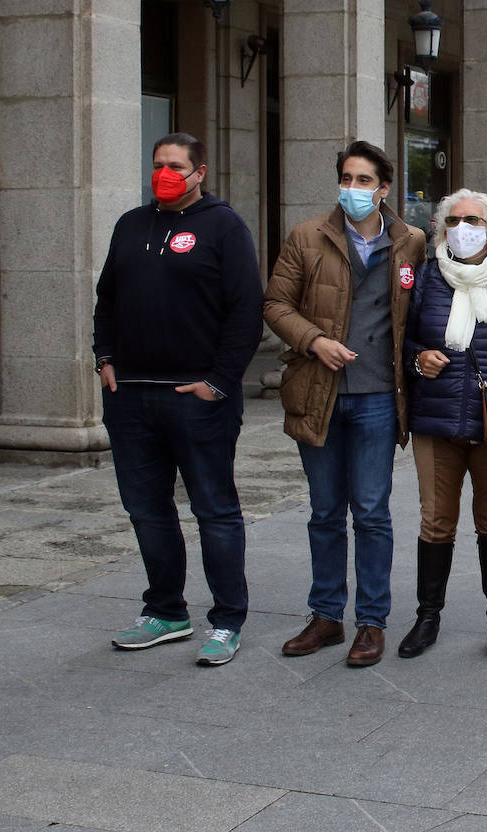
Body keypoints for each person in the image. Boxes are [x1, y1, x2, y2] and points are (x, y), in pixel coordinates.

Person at [94, 132, 263, 666]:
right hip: (131, 397)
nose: (164, 173)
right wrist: (104, 358)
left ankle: (227, 620)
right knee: (146, 509)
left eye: (175, 166)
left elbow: (245, 312)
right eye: (158, 164)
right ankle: (166, 610)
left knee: (214, 510)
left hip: (198, 398)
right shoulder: (130, 225)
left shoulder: (224, 226)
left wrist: (218, 382)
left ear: (200, 172)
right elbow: (106, 298)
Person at [265, 141, 426, 667]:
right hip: (319, 394)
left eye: (364, 181)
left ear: (384, 189)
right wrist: (314, 340)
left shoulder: (411, 242)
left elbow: (422, 312)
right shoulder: (307, 236)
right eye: (347, 179)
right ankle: (326, 616)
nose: (353, 189)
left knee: (373, 514)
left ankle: (372, 623)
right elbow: (275, 303)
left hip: (380, 398)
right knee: (325, 512)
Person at [397, 189, 487, 661]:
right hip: (436, 418)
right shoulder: (427, 279)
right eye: (451, 220)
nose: (461, 228)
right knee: (436, 522)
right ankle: (427, 616)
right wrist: (418, 359)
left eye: (471, 219)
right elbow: (404, 339)